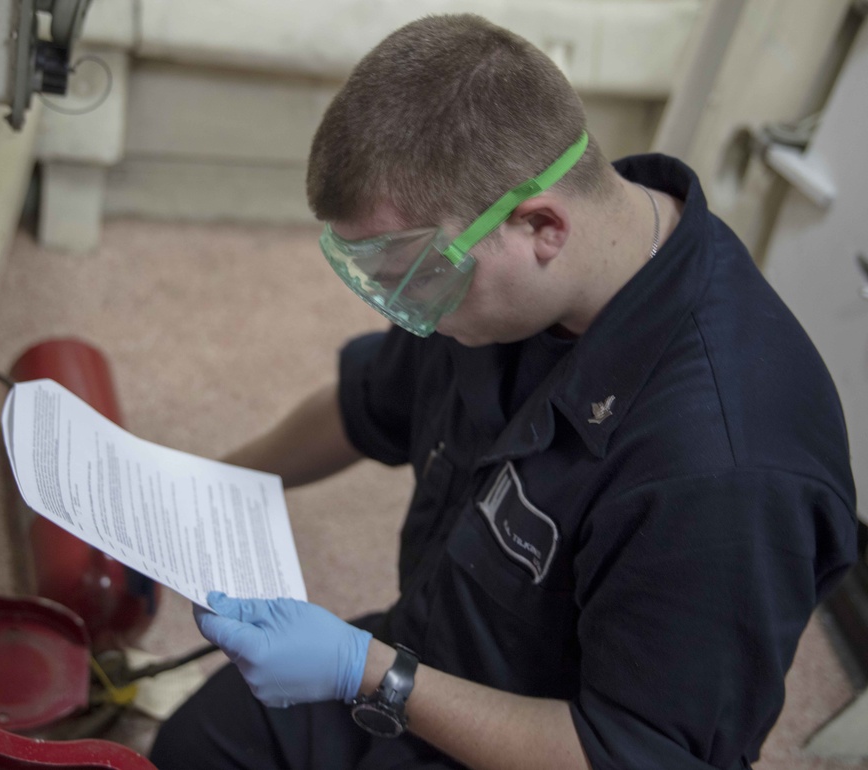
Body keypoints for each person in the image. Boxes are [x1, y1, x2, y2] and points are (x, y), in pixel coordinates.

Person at [149, 13, 857, 770]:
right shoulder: (515, 279)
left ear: (541, 226)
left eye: (418, 284)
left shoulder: (726, 469)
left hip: (548, 741)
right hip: (438, 653)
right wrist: (206, 487)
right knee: (192, 747)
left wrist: (366, 670)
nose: (409, 315)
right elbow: (367, 408)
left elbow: (634, 751)